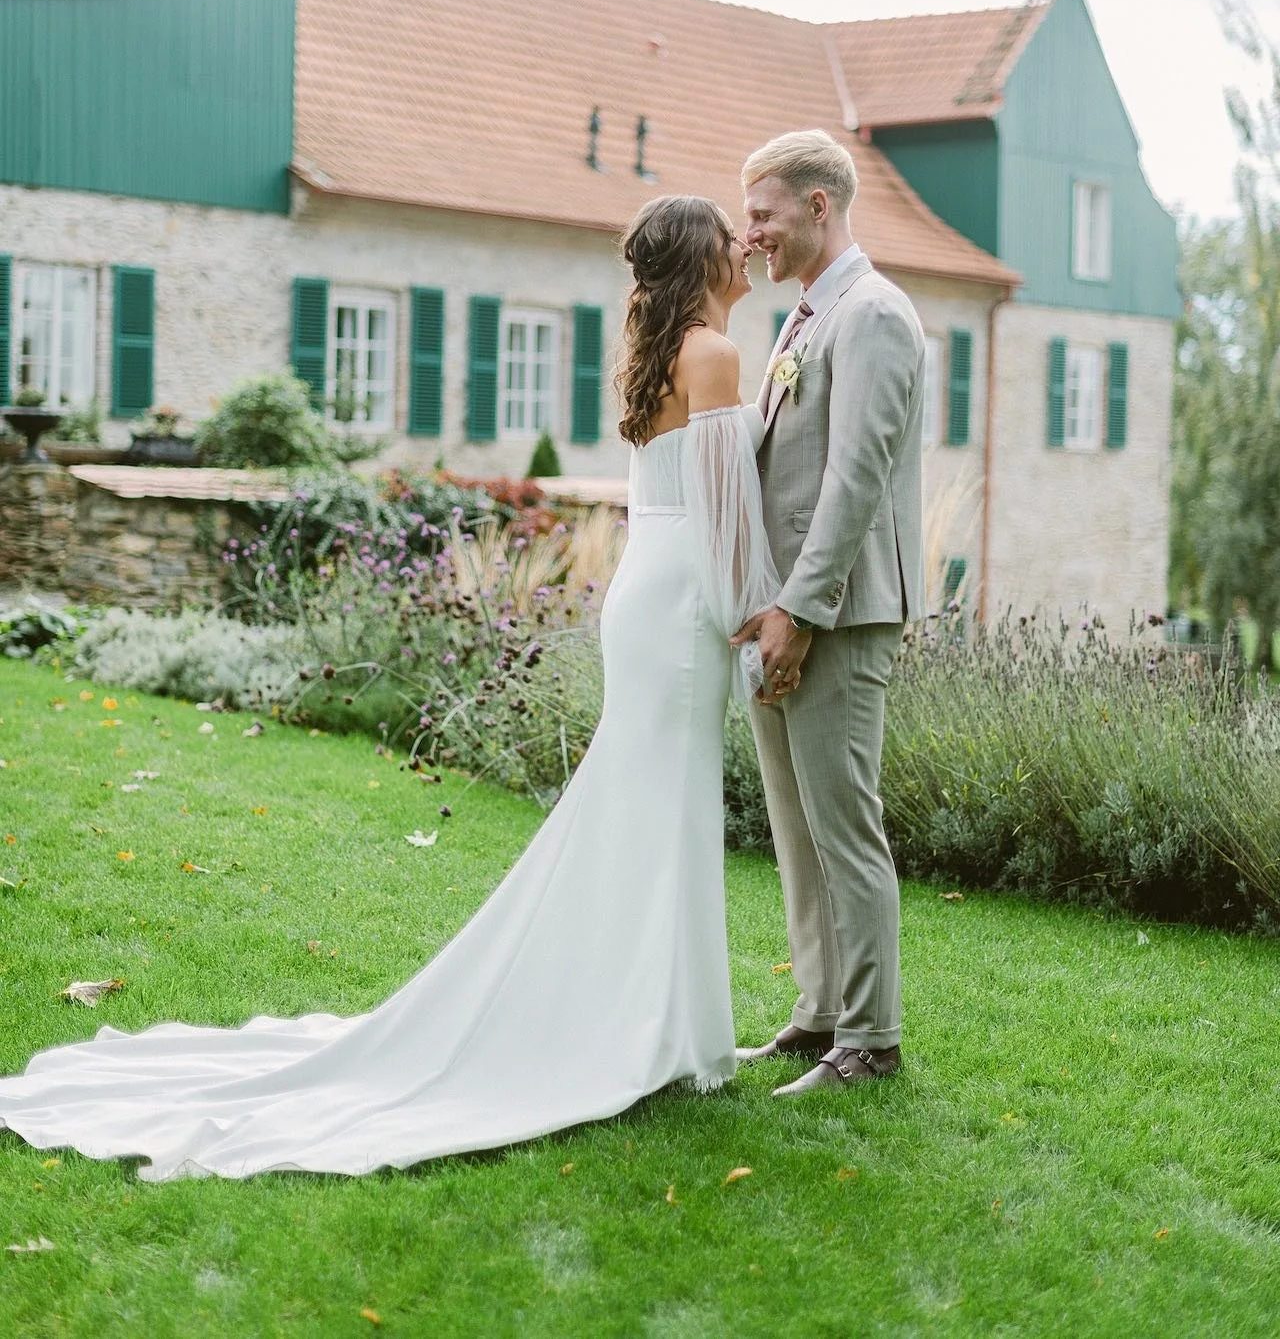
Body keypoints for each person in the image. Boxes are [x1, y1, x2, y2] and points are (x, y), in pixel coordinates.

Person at [0, 194, 780, 1182]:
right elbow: (727, 506)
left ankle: (664, 1025)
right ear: (698, 257)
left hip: (650, 591)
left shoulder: (655, 353)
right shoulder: (710, 353)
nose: (744, 248)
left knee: (650, 812)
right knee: (658, 810)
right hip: (682, 604)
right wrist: (758, 612)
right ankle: (652, 1031)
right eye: (730, 235)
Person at [733, 130, 925, 1096]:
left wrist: (800, 612)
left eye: (763, 212)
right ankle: (819, 1017)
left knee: (844, 823)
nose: (750, 230)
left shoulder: (874, 314)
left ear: (818, 206)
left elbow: (855, 480)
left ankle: (873, 1041)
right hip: (784, 613)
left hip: (840, 617)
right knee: (795, 825)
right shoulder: (805, 319)